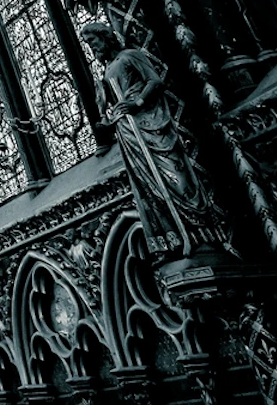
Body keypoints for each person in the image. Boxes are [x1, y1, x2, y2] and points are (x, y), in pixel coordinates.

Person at [80, 21, 224, 257]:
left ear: (105, 37)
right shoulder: (107, 70)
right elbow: (112, 103)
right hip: (128, 131)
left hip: (149, 123)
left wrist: (136, 103)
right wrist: (110, 116)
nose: (92, 48)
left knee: (173, 174)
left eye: (93, 41)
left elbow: (154, 81)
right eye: (88, 44)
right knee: (148, 183)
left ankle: (200, 232)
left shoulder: (130, 56)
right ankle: (174, 238)